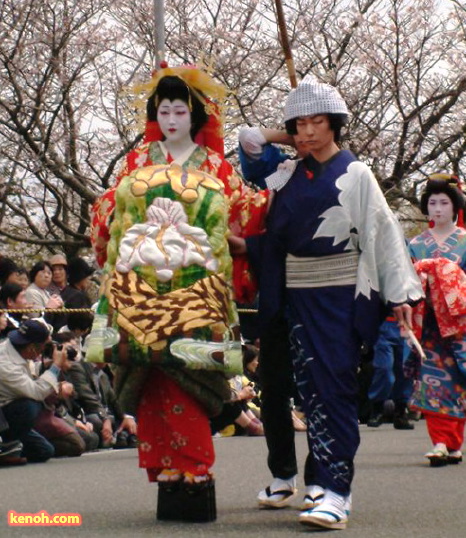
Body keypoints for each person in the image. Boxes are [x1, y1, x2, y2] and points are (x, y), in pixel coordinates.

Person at [236, 77, 423, 530]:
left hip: (338, 295)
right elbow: (248, 138)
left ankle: (336, 491)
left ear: (336, 125)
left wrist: (399, 294)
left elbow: (383, 232)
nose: (307, 132)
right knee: (299, 389)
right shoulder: (286, 172)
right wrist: (292, 130)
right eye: (299, 124)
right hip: (290, 295)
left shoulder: (355, 173)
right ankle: (312, 484)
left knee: (332, 388)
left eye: (317, 122)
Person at [89, 64, 268, 522]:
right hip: (139, 286)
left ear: (195, 117)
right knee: (148, 376)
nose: (171, 119)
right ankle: (164, 467)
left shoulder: (216, 167)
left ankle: (194, 466)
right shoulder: (136, 163)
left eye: (179, 111)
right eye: (163, 110)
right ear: (156, 114)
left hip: (196, 287)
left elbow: (243, 216)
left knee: (186, 377)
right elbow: (108, 218)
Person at [408, 175, 466, 466]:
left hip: (460, 323)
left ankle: (454, 442)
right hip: (428, 322)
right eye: (432, 202)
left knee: (458, 380)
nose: (438, 208)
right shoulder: (416, 244)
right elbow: (405, 281)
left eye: (444, 202)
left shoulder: (465, 241)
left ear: (456, 207)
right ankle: (441, 441)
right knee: (433, 381)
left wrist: (449, 277)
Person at [0, 319, 68, 462]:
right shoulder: (4, 363)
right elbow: (36, 392)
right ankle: (6, 447)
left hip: (8, 414)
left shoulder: (16, 350)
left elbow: (28, 377)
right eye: (44, 347)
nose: (44, 351)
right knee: (30, 406)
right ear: (31, 348)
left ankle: (12, 449)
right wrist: (56, 367)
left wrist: (48, 366)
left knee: (44, 451)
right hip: (5, 417)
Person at [366, 314, 415, 430]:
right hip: (384, 322)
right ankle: (377, 408)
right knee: (384, 368)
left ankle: (401, 412)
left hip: (408, 323)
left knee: (405, 370)